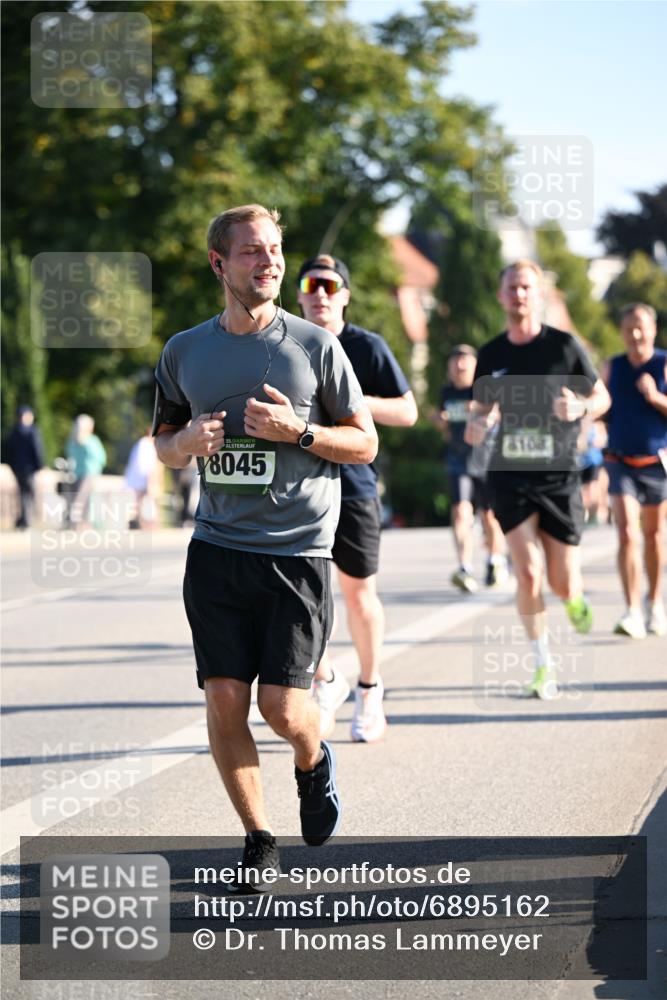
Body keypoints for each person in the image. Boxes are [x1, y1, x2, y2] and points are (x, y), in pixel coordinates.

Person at [153, 205, 377, 886]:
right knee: (224, 698)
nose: (270, 261)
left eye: (274, 249)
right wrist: (186, 443)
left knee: (281, 708)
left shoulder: (315, 346)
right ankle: (258, 837)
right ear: (219, 263)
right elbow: (162, 443)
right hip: (217, 548)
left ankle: (313, 760)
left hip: (297, 552)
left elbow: (364, 441)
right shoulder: (184, 351)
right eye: (252, 251)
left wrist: (298, 433)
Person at [467, 260, 610, 700]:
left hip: (558, 475)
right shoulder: (491, 354)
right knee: (528, 574)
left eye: (526, 287)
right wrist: (477, 424)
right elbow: (480, 409)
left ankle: (575, 597)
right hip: (509, 474)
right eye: (512, 287)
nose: (519, 294)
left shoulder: (563, 346)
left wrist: (581, 408)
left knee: (562, 581)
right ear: (501, 295)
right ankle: (543, 664)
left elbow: (601, 397)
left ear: (539, 294)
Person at [296, 253, 418, 743]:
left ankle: (369, 689)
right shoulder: (287, 342)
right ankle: (326, 680)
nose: (321, 294)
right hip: (300, 486)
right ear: (299, 294)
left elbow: (408, 412)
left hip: (354, 485)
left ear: (344, 295)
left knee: (358, 593)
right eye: (312, 285)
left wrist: (353, 401)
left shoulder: (367, 347)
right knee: (305, 595)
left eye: (330, 286)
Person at [602, 303, 667, 638]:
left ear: (653, 329)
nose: (636, 334)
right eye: (629, 329)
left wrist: (655, 396)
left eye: (641, 327)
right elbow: (601, 408)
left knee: (653, 536)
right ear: (622, 332)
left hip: (657, 463)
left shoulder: (663, 363)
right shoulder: (612, 366)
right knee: (626, 532)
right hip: (619, 460)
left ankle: (654, 603)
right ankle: (631, 611)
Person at [435, 344, 508, 593]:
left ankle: (495, 561)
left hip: (485, 460)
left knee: (489, 515)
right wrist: (440, 421)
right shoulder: (446, 392)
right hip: (457, 460)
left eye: (464, 360)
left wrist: (477, 411)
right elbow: (444, 425)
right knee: (460, 512)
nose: (459, 365)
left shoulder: (483, 389)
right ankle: (464, 567)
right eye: (455, 360)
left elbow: (498, 415)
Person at [4, 405, 44, 529]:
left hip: (17, 468)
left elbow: (7, 451)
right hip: (29, 469)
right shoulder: (32, 431)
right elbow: (37, 450)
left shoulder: (13, 431)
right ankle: (26, 520)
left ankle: (22, 520)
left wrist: (11, 465)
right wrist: (40, 465)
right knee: (28, 493)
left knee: (22, 494)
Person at [64, 414, 107, 528]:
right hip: (86, 474)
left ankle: (80, 524)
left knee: (82, 499)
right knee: (82, 500)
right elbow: (102, 459)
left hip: (83, 474)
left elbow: (69, 455)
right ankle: (78, 524)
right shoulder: (90, 441)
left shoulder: (74, 441)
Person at [124, 428, 161, 529]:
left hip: (139, 479)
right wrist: (150, 480)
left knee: (140, 502)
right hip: (142, 479)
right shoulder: (146, 445)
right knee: (144, 501)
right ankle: (143, 523)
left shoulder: (143, 444)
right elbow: (146, 465)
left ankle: (140, 522)